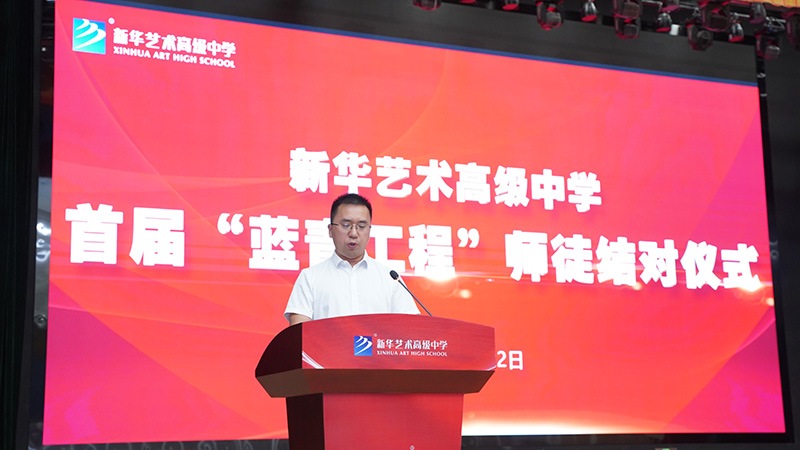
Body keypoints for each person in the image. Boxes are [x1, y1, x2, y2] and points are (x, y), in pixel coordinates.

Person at [284, 193, 420, 324]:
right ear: (330, 230)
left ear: (369, 230)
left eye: (361, 226)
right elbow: (299, 332)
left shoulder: (391, 279)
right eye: (345, 225)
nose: (354, 233)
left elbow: (410, 329)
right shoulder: (310, 277)